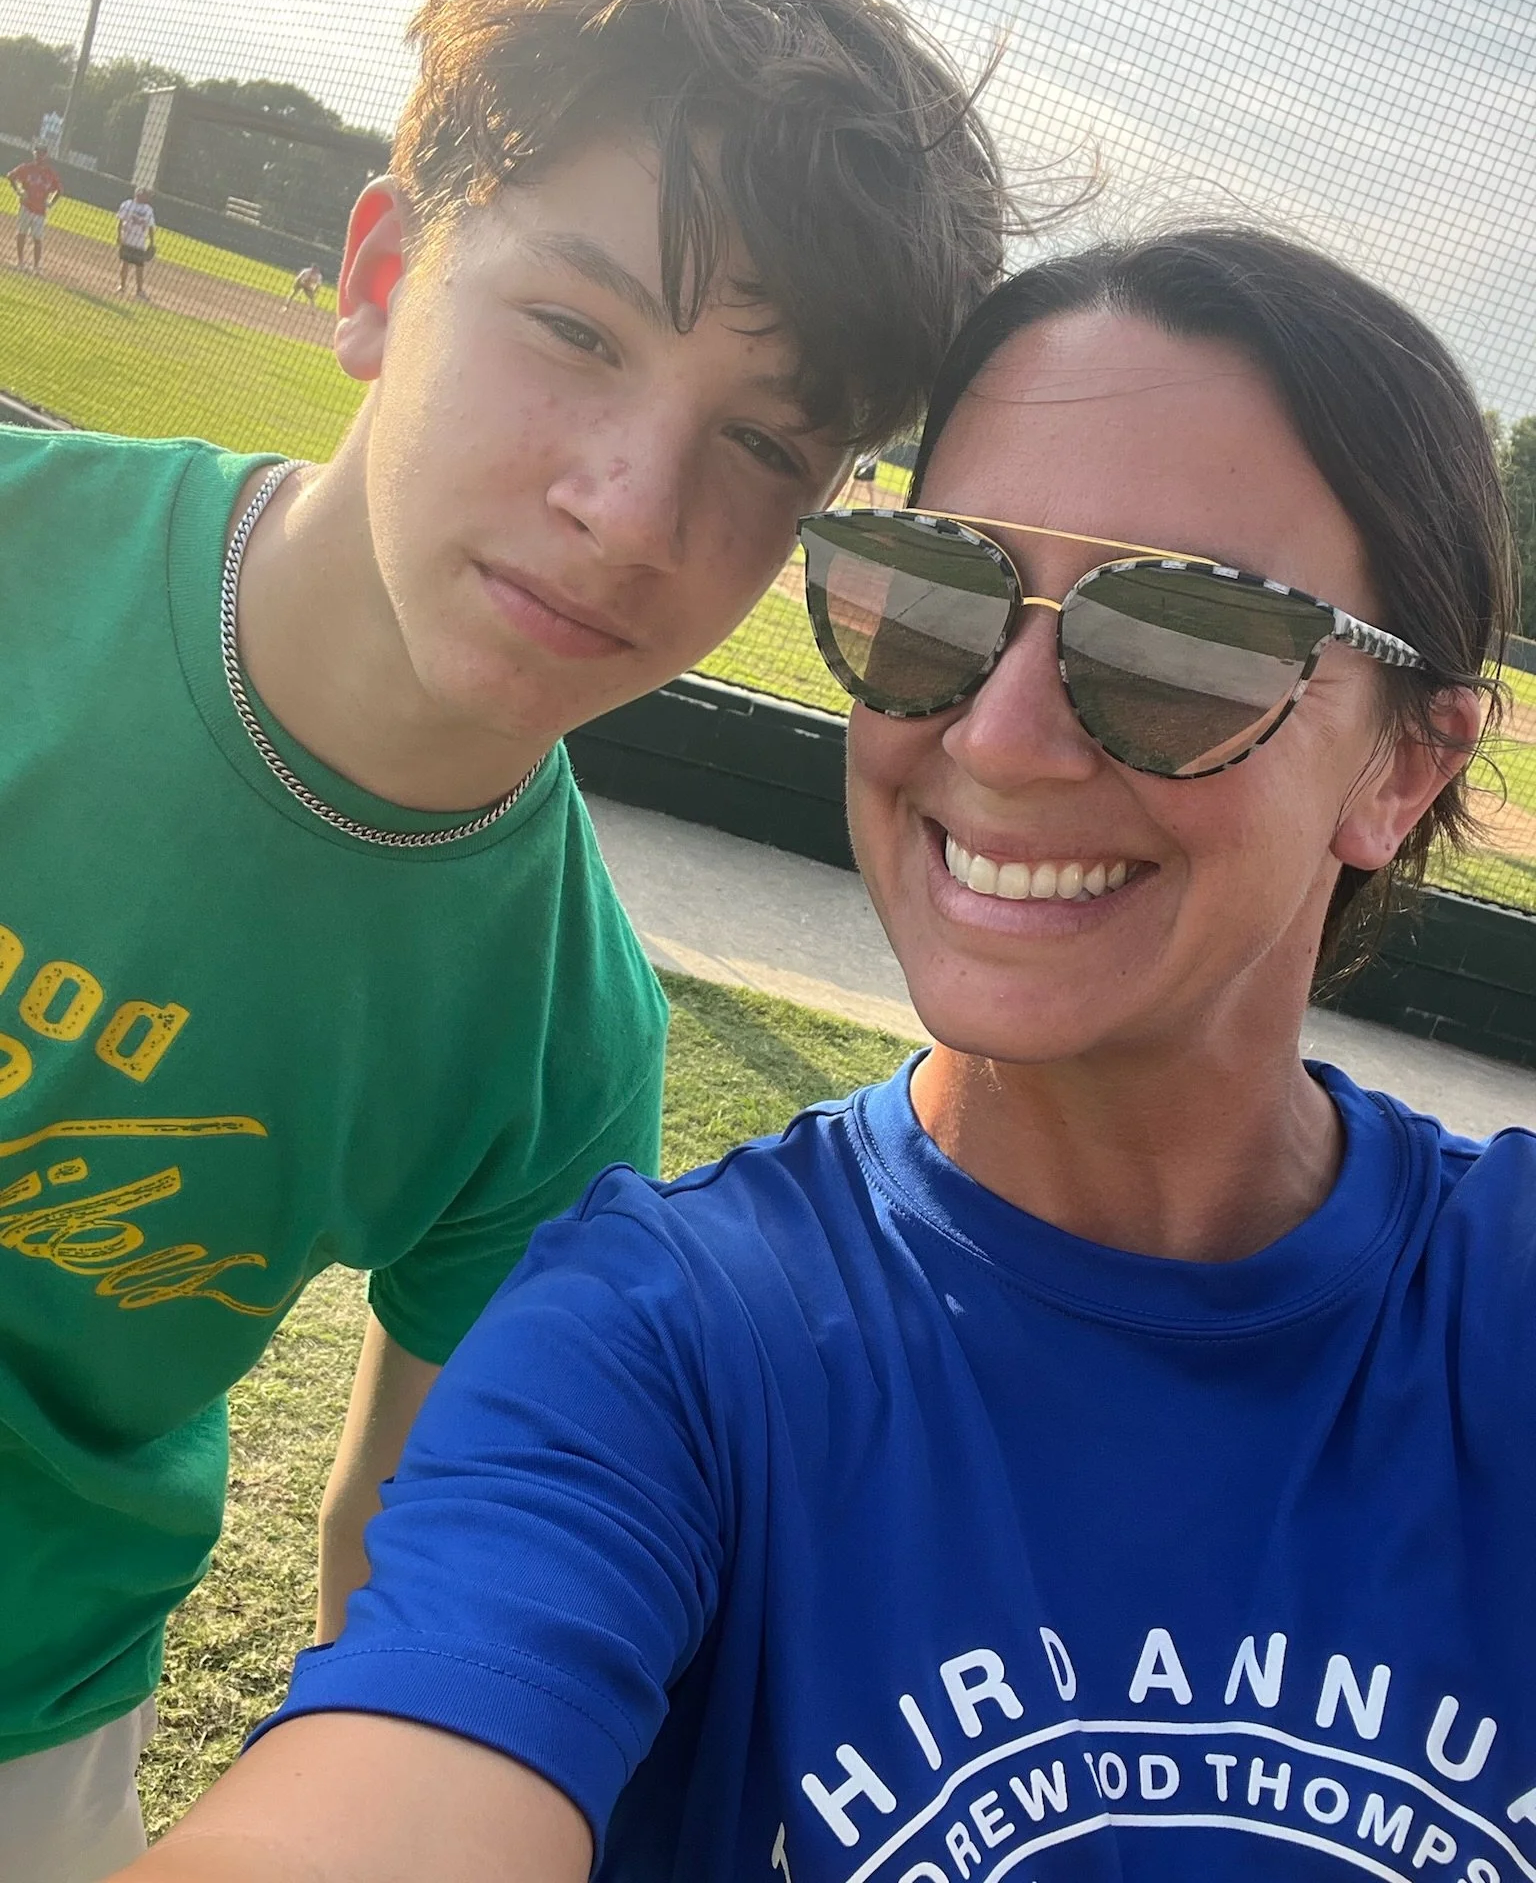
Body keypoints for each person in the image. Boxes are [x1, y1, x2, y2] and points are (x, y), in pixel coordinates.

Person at [118, 228, 1534, 1883]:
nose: (996, 735)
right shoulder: (666, 1344)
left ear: (1403, 767)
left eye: (1188, 640)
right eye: (936, 593)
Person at [0, 0, 1010, 1875]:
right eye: (573, 326)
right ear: (379, 279)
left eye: (762, 444)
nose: (634, 510)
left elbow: (412, 1558)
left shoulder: (556, 1044)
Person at [8, 142, 63, 271]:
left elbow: (59, 190)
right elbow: (11, 176)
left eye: (42, 153)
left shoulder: (50, 173)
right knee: (21, 234)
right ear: (34, 153)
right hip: (26, 207)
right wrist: (19, 191)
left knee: (37, 239)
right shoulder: (26, 168)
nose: (39, 155)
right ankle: (20, 262)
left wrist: (50, 203)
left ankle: (36, 266)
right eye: (37, 152)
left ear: (46, 155)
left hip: (40, 211)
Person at [117, 186, 157, 298]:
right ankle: (122, 286)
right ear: (139, 194)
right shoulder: (127, 204)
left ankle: (139, 291)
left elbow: (150, 227)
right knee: (125, 263)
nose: (148, 197)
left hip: (139, 243)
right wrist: (119, 236)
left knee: (139, 267)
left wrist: (152, 242)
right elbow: (120, 221)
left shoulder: (148, 209)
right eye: (146, 195)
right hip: (127, 240)